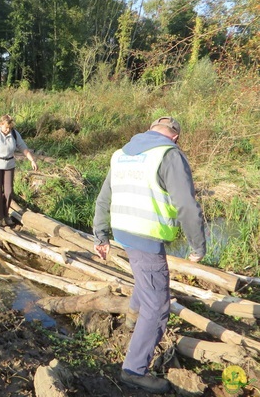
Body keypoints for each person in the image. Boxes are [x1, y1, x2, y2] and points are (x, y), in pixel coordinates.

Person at [92, 116, 207, 394]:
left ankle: (132, 319)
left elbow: (103, 197)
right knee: (158, 308)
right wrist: (197, 246)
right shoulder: (169, 155)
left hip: (124, 232)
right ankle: (134, 369)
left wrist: (101, 235)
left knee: (145, 279)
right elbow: (187, 207)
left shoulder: (121, 154)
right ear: (175, 137)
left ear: (150, 130)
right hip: (146, 236)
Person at [0, 114, 38, 226]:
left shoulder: (14, 134)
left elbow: (23, 147)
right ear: (1, 124)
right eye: (6, 127)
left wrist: (32, 160)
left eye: (10, 128)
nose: (8, 130)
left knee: (8, 191)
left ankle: (6, 215)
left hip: (9, 166)